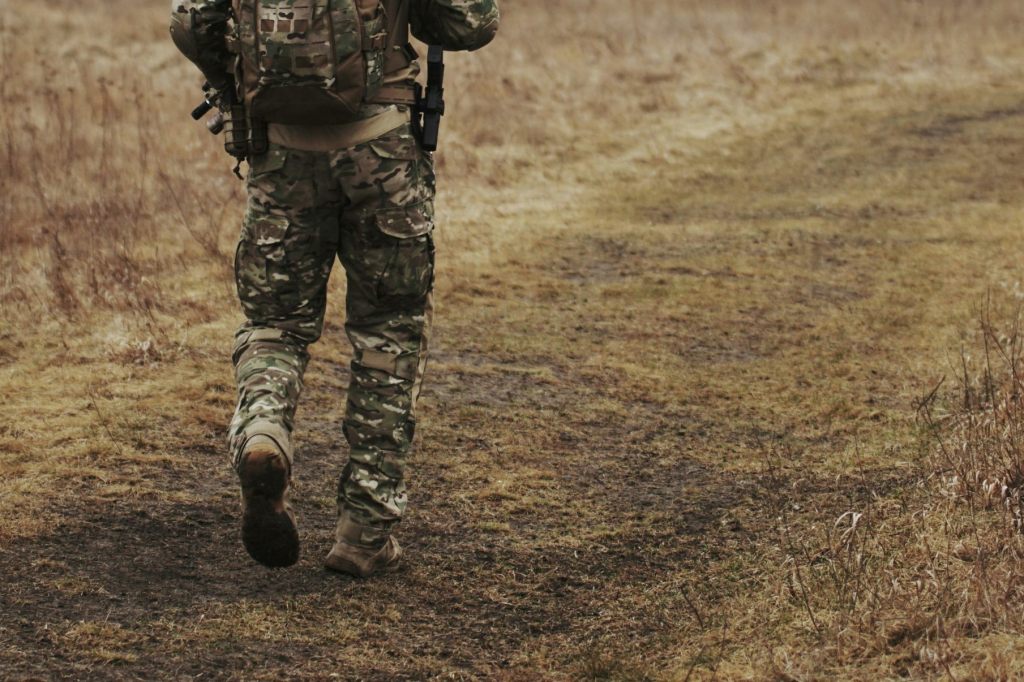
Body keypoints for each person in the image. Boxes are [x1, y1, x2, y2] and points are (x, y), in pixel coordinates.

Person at [169, 0, 500, 577]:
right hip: (383, 153)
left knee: (274, 325)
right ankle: (364, 532)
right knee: (388, 332)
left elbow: (191, 22)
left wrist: (233, 84)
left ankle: (263, 428)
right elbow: (470, 23)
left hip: (281, 154)